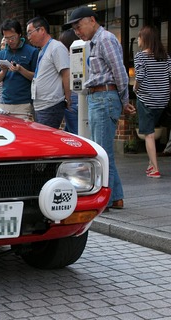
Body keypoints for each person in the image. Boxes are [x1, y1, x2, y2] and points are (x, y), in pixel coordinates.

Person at [64, 7, 136, 210]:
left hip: (104, 96)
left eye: (79, 26)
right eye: (75, 28)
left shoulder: (105, 39)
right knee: (103, 153)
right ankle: (116, 198)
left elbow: (120, 71)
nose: (77, 31)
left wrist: (124, 100)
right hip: (100, 96)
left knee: (102, 154)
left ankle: (104, 201)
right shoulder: (96, 41)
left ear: (92, 20)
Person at [133, 25, 171, 178]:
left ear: (145, 39)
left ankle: (155, 168)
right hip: (162, 100)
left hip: (147, 99)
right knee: (152, 131)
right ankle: (151, 164)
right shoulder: (166, 57)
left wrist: (135, 89)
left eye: (139, 37)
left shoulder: (140, 56)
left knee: (148, 134)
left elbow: (140, 77)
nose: (137, 40)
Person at [0, 19, 38, 120]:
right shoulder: (2, 53)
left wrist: (20, 69)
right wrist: (3, 71)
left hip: (24, 103)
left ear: (19, 34)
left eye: (12, 37)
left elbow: (36, 77)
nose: (10, 41)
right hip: (5, 102)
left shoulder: (32, 51)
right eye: (6, 38)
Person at [26, 16, 71, 128]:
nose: (28, 37)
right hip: (40, 105)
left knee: (45, 140)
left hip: (50, 105)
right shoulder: (42, 51)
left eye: (30, 33)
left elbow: (66, 73)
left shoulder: (56, 47)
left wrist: (68, 98)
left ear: (41, 30)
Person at [58, 29, 80, 134]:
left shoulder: (66, 59)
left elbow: (65, 78)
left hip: (71, 98)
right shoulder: (80, 56)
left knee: (75, 134)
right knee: (69, 131)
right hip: (81, 97)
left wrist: (67, 98)